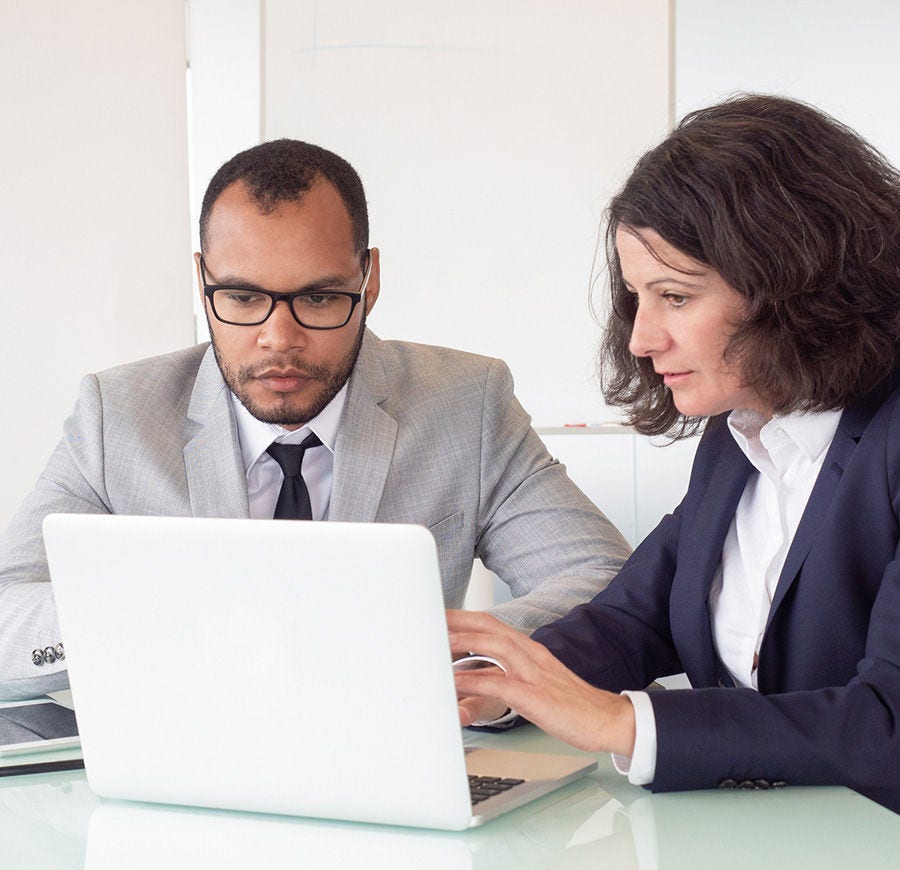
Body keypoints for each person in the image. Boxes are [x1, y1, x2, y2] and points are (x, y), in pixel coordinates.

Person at [0, 139, 630, 702]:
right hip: (187, 776)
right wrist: (168, 611)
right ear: (202, 283)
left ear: (370, 279)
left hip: (390, 768)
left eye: (320, 298)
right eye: (244, 298)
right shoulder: (118, 417)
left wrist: (444, 647)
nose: (280, 338)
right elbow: (7, 622)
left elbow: (604, 587)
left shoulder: (467, 405)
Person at [450, 94, 900, 813]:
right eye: (636, 296)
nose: (640, 337)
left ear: (795, 283)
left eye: (676, 297)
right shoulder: (741, 430)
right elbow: (637, 619)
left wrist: (621, 723)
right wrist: (485, 679)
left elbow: (887, 726)